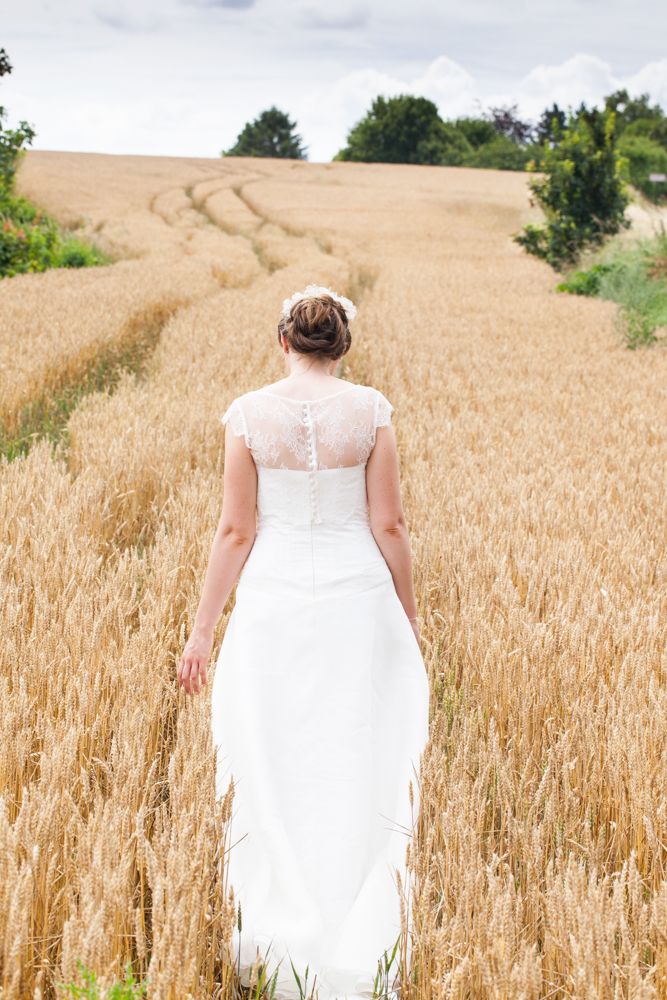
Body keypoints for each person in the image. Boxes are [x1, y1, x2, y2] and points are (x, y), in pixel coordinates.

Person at [178, 285, 429, 1000]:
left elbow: (236, 531)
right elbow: (390, 526)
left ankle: (277, 915)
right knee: (363, 747)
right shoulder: (371, 410)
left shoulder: (248, 414)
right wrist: (406, 614)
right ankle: (360, 913)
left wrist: (202, 632)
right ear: (341, 345)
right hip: (358, 599)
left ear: (282, 342)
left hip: (273, 601)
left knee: (270, 750)